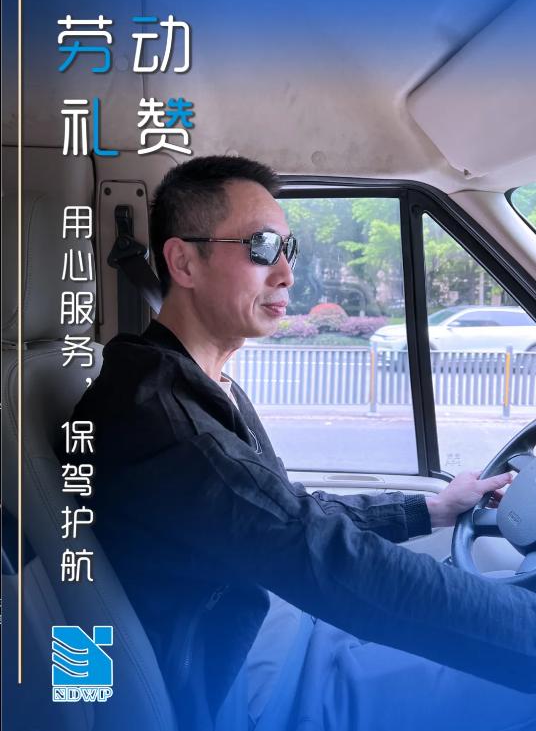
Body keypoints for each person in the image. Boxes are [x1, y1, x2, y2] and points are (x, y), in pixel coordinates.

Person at [66, 156, 536, 731]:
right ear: (184, 261)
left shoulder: (198, 384)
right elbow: (319, 552)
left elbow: (287, 513)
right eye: (263, 247)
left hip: (281, 629)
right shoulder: (164, 422)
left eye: (289, 249)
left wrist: (432, 508)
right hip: (255, 687)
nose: (287, 274)